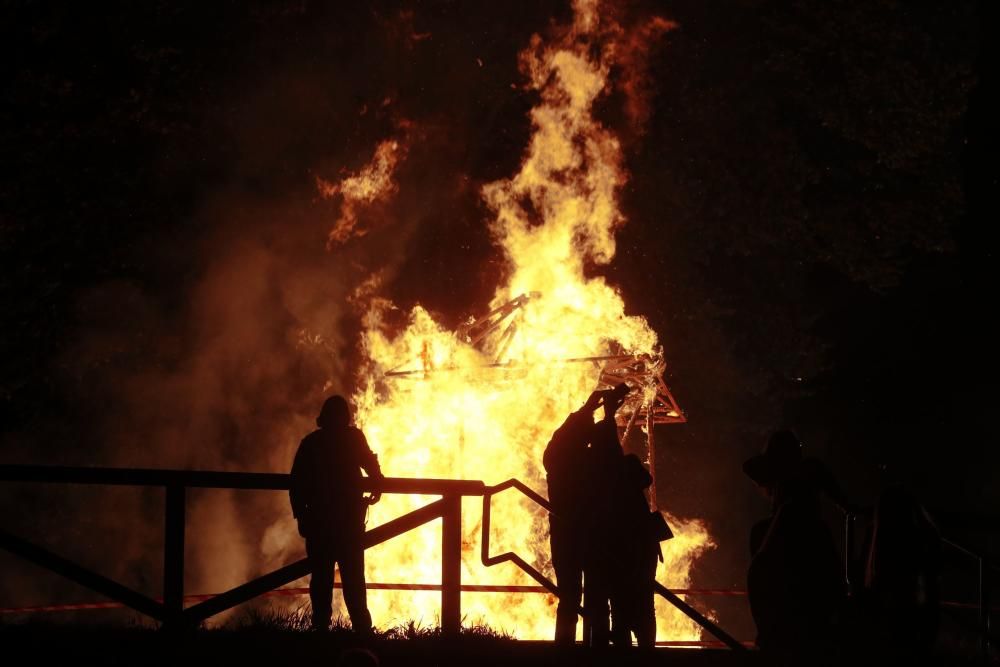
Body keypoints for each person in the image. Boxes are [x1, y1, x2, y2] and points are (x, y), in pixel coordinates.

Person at [743, 430, 847, 665]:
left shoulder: (764, 533)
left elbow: (760, 584)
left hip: (785, 643)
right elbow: (835, 588)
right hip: (813, 644)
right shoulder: (818, 532)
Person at [290, 395, 384, 634]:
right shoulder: (353, 438)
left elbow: (297, 483)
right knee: (353, 579)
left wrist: (302, 516)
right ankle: (362, 630)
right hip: (348, 523)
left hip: (320, 523)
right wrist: (377, 482)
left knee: (322, 580)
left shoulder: (311, 443)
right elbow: (369, 462)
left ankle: (321, 628)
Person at [543, 389, 604, 645]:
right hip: (592, 538)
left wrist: (587, 410)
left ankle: (566, 652)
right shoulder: (594, 465)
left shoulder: (561, 464)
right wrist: (593, 411)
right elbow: (563, 440)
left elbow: (559, 442)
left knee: (571, 599)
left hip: (570, 537)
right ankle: (598, 651)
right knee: (596, 599)